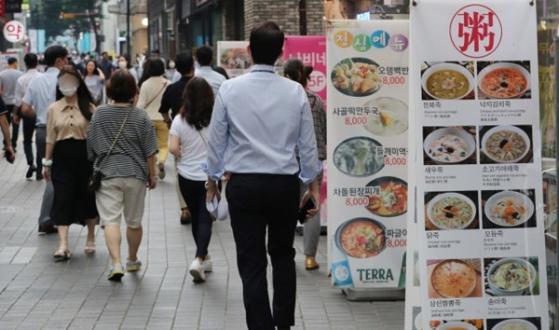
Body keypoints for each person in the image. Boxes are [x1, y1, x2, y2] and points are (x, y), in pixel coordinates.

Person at [206, 22, 321, 330]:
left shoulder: (230, 89)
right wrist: (312, 185)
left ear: (248, 50)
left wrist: (212, 180)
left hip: (243, 184)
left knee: (251, 260)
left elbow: (217, 139)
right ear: (281, 52)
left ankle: (260, 325)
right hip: (284, 184)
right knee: (283, 254)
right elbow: (307, 145)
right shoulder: (295, 91)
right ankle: (283, 322)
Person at [87, 70, 158, 281]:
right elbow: (150, 150)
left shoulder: (99, 113)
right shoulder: (141, 116)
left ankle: (116, 263)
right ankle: (132, 259)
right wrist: (151, 175)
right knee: (134, 221)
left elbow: (90, 145)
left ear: (110, 90)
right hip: (135, 174)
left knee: (111, 221)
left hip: (107, 173)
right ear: (133, 91)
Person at [42, 66, 98, 261]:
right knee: (62, 197)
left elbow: (96, 137)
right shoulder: (53, 108)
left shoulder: (89, 107)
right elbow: (50, 137)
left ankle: (91, 236)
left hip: (85, 157)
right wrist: (46, 163)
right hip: (62, 157)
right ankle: (63, 245)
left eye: (70, 80)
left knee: (88, 195)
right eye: (63, 81)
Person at [169, 77, 215, 282]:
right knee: (205, 218)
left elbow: (172, 148)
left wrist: (182, 153)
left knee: (196, 217)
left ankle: (203, 257)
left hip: (186, 177)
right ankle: (199, 258)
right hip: (209, 176)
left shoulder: (179, 120)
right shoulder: (215, 119)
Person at [283, 59, 327, 271]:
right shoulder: (317, 101)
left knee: (289, 206)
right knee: (311, 208)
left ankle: (286, 253)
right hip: (315, 159)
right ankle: (310, 258)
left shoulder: (284, 100)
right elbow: (325, 131)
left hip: (289, 159)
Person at [22, 45, 69, 234]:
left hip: (41, 131)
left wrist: (41, 115)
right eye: (65, 59)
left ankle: (52, 217)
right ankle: (47, 218)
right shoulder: (65, 80)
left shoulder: (35, 81)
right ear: (58, 61)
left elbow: (24, 109)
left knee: (50, 173)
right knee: (58, 176)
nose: (67, 63)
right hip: (63, 131)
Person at [159, 52, 195, 225]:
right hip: (201, 131)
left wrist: (169, 122)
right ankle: (205, 204)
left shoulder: (172, 88)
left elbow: (163, 110)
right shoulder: (201, 86)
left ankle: (185, 208)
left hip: (179, 133)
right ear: (193, 66)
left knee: (180, 169)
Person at [137, 59, 170, 180]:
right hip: (163, 119)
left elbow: (140, 105)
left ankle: (154, 163)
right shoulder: (168, 83)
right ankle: (161, 161)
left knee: (150, 145)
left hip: (148, 119)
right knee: (163, 145)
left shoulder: (145, 84)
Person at [14, 53, 41, 179]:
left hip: (27, 113)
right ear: (37, 63)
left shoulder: (21, 79)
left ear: (25, 63)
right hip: (41, 113)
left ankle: (31, 163)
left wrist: (15, 115)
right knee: (41, 141)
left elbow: (18, 101)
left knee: (27, 140)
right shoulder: (42, 77)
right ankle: (41, 167)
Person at [0, 57, 23, 149]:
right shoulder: (20, 74)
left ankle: (6, 142)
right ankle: (13, 144)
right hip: (16, 103)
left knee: (6, 123)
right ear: (15, 63)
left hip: (5, 102)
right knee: (16, 123)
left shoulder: (1, 74)